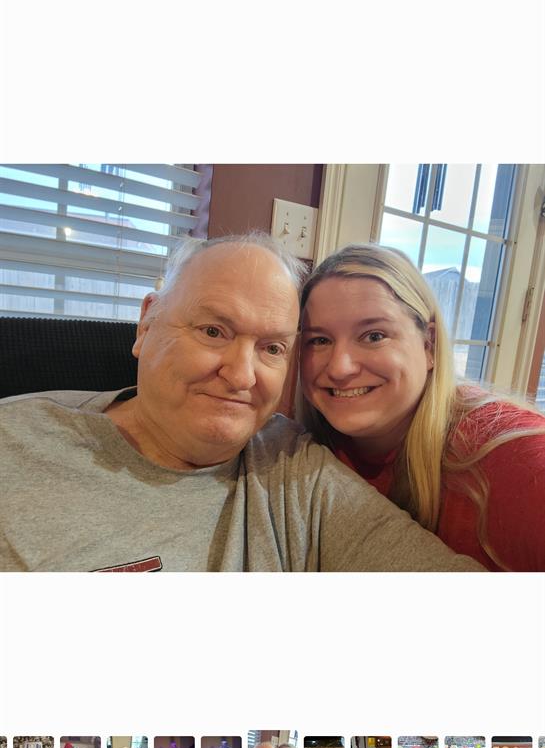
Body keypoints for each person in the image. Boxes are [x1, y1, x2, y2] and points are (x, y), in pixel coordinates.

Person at [0, 232, 484, 572]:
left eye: (272, 348)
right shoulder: (15, 441)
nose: (241, 375)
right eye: (213, 331)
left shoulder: (296, 471)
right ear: (146, 324)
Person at [299, 243, 545, 571]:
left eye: (373, 336)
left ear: (428, 345)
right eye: (319, 340)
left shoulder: (519, 461)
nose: (340, 367)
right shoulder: (301, 453)